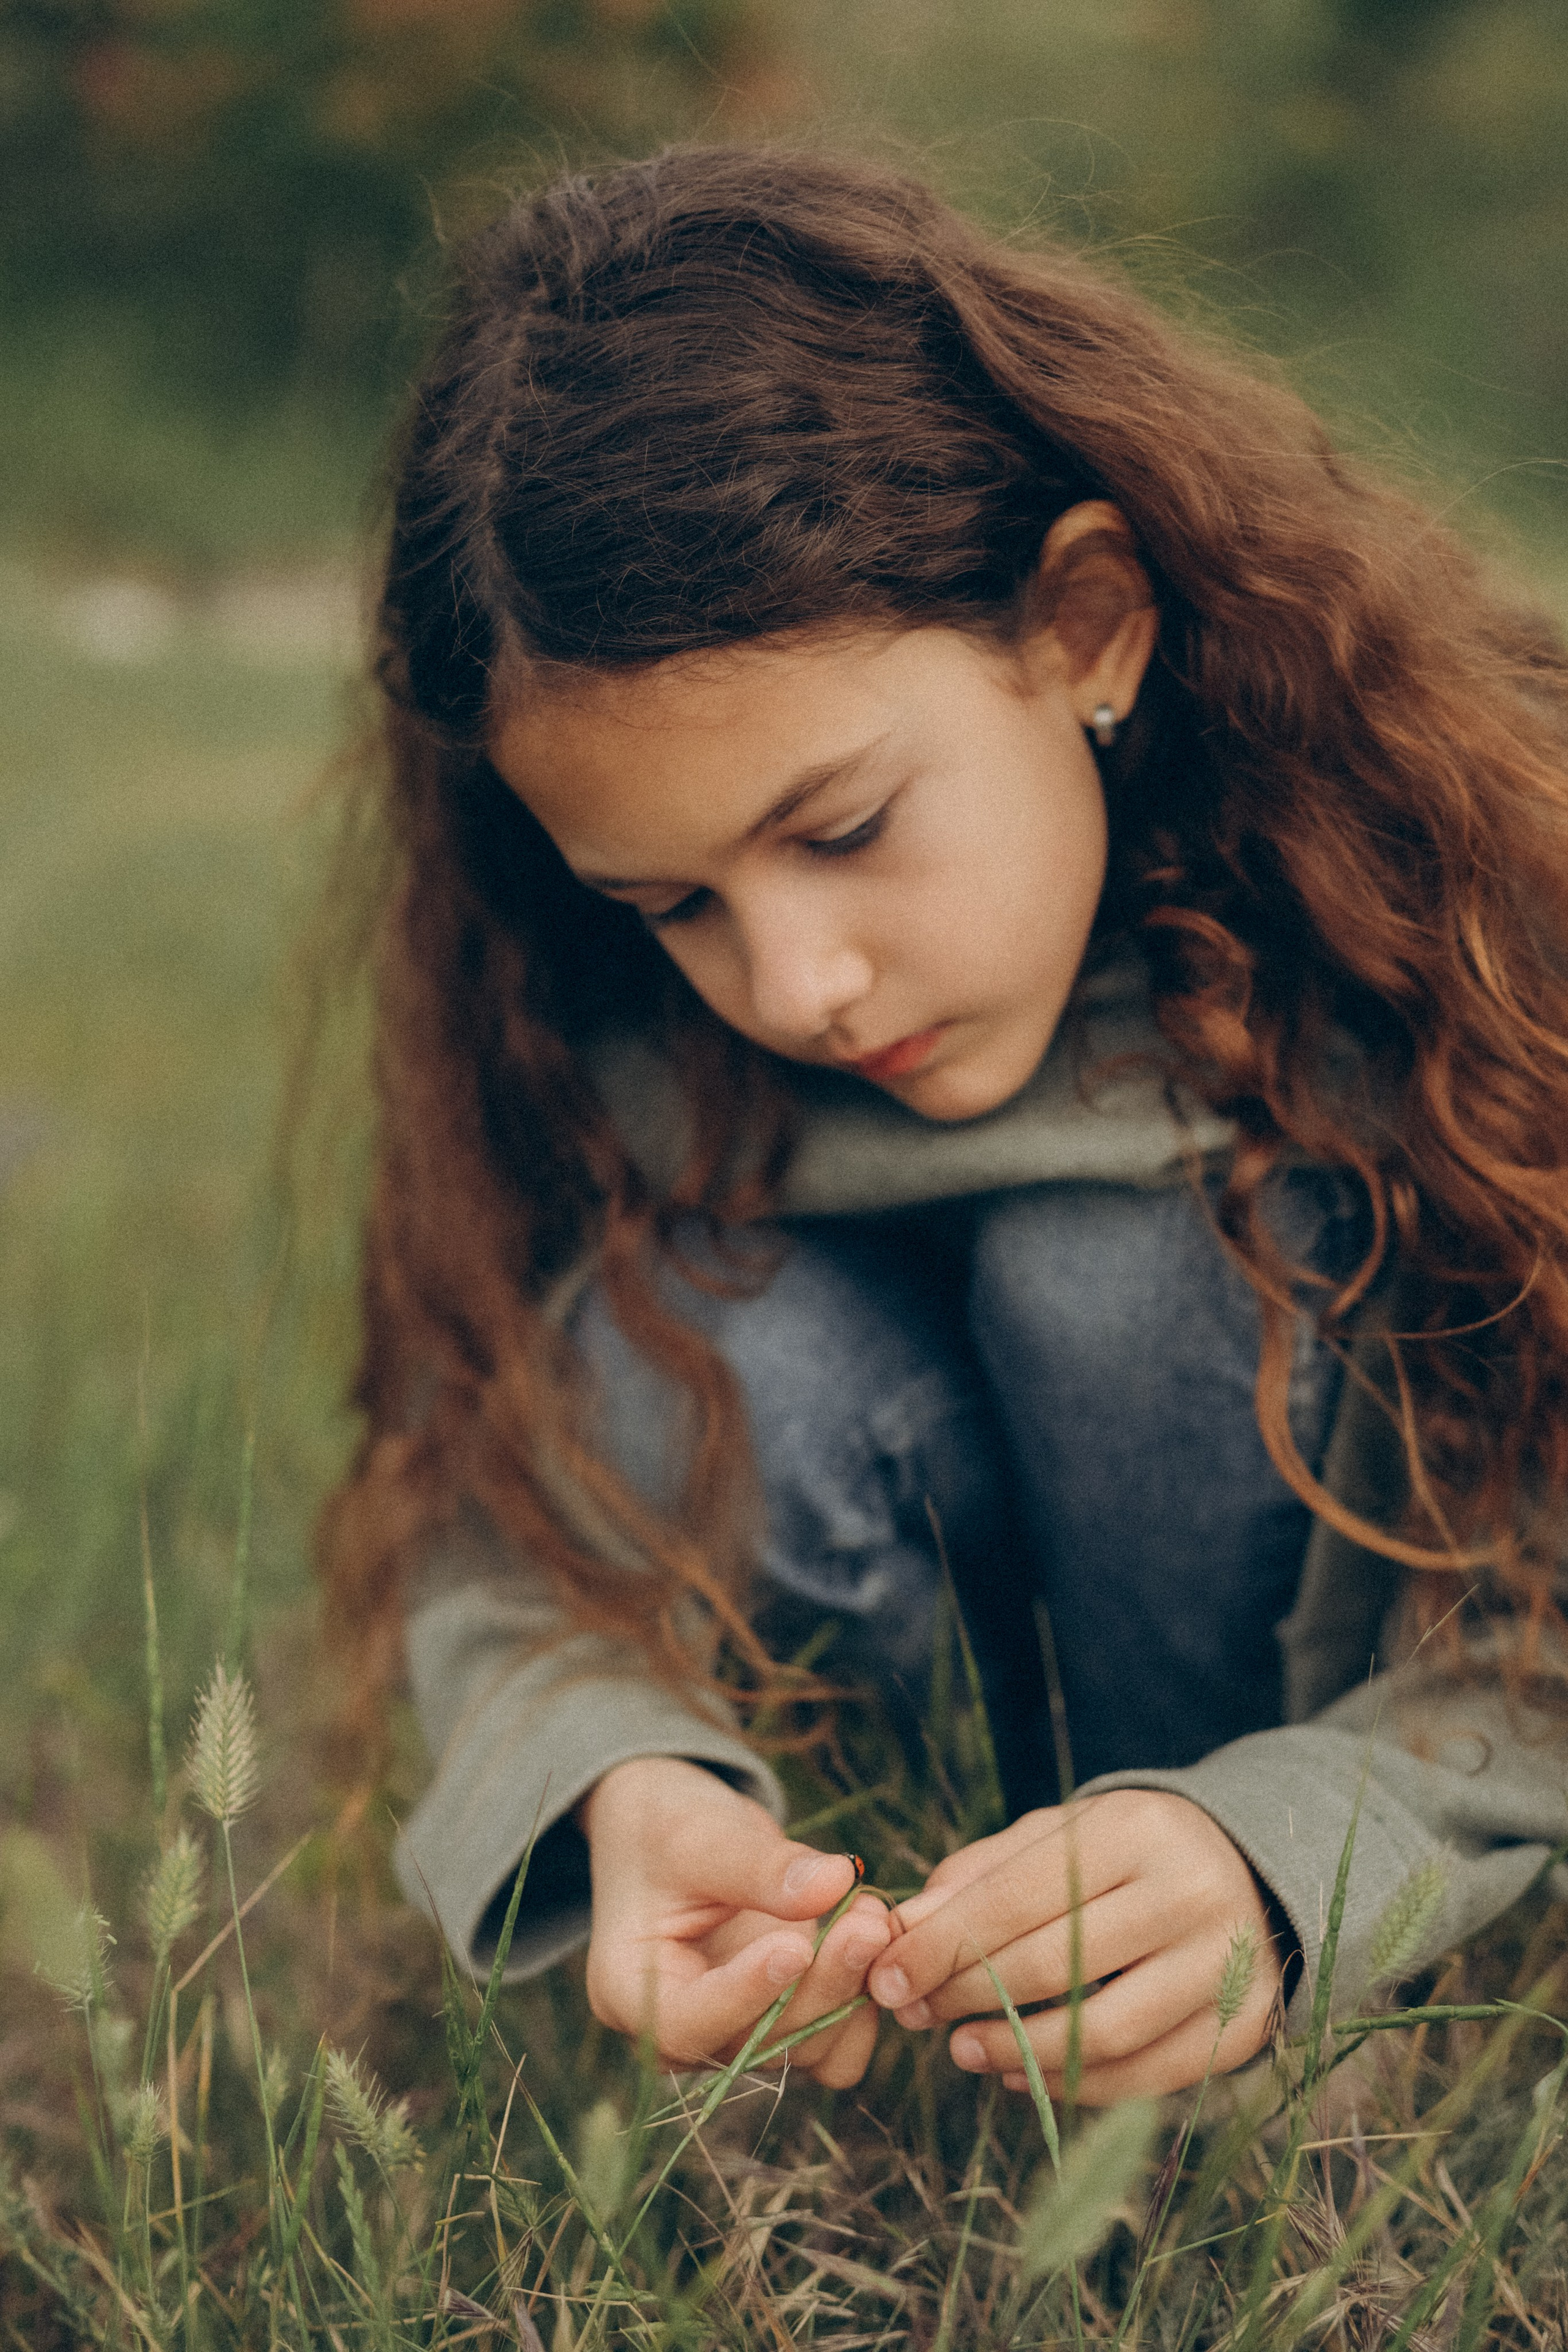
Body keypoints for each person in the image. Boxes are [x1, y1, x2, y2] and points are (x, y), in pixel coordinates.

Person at [320, 146, 1568, 2105]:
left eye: (842, 830)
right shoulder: (621, 1042)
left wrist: (1297, 1847)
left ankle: (1212, 1988)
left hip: (1359, 1770)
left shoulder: (1448, 925)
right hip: (918, 1901)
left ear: (1086, 624)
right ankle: (941, 1957)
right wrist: (620, 1767)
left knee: (1118, 1268)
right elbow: (504, 1506)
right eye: (673, 904)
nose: (795, 982)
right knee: (694, 1322)